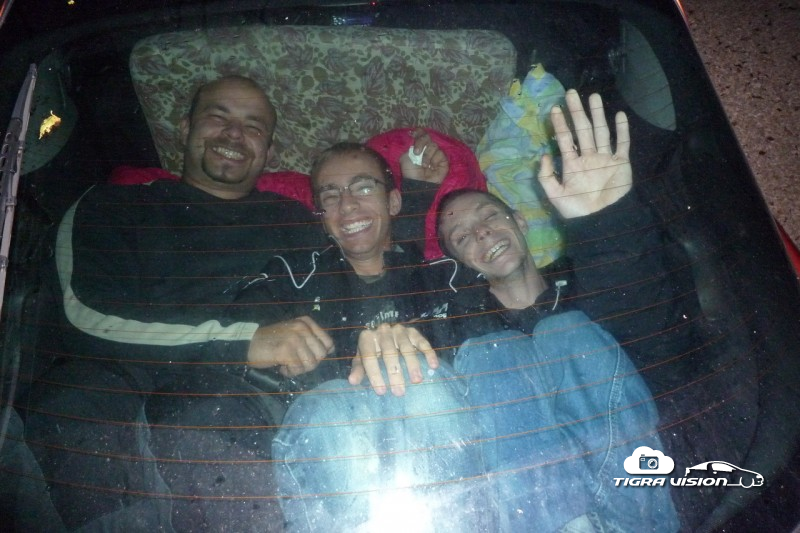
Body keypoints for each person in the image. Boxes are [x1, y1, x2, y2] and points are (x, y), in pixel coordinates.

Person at [21, 75, 450, 530]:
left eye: (253, 127)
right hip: (125, 387)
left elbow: (365, 260)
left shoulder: (292, 220)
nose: (234, 134)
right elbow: (84, 316)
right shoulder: (110, 206)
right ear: (185, 128)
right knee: (72, 406)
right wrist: (243, 341)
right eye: (218, 117)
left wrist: (412, 200)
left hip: (254, 403)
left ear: (267, 151)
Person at [238, 105, 677, 530]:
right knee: (330, 404)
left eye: (363, 188)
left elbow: (607, 320)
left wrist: (602, 220)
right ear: (320, 215)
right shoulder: (288, 277)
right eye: (331, 196)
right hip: (347, 445)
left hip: (445, 448)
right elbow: (229, 345)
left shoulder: (449, 279)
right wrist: (251, 344)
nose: (348, 205)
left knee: (503, 350)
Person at [436, 90, 752, 530]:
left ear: (520, 220)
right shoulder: (468, 333)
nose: (482, 233)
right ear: (461, 262)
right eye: (462, 237)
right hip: (533, 511)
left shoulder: (588, 276)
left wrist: (605, 219)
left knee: (564, 332)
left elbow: (653, 335)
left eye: (489, 216)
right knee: (495, 353)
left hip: (638, 493)